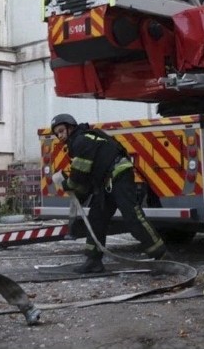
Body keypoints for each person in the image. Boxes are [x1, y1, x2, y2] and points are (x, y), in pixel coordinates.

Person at [49, 113, 167, 273]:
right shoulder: (79, 142)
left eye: (61, 131)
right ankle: (93, 260)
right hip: (105, 181)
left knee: (133, 216)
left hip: (119, 175)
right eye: (57, 134)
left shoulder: (81, 140)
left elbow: (78, 178)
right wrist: (77, 192)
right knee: (96, 217)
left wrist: (67, 184)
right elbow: (85, 180)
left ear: (70, 127)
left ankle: (163, 257)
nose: (60, 136)